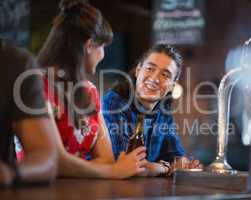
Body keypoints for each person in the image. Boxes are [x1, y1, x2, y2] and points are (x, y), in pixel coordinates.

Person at [36, 0, 146, 179]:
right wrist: (113, 171)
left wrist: (105, 168)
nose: (103, 54)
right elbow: (55, 161)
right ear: (89, 45)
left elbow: (107, 158)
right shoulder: (36, 86)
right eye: (102, 46)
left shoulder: (90, 92)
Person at [102, 44, 202, 177]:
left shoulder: (163, 110)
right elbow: (127, 164)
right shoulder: (113, 104)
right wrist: (166, 168)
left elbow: (176, 156)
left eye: (165, 75)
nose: (154, 79)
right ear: (138, 70)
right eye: (150, 68)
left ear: (172, 85)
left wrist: (185, 164)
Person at [0, 39, 58, 187]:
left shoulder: (14, 63)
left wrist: (9, 172)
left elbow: (48, 156)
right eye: (101, 46)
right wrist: (112, 170)